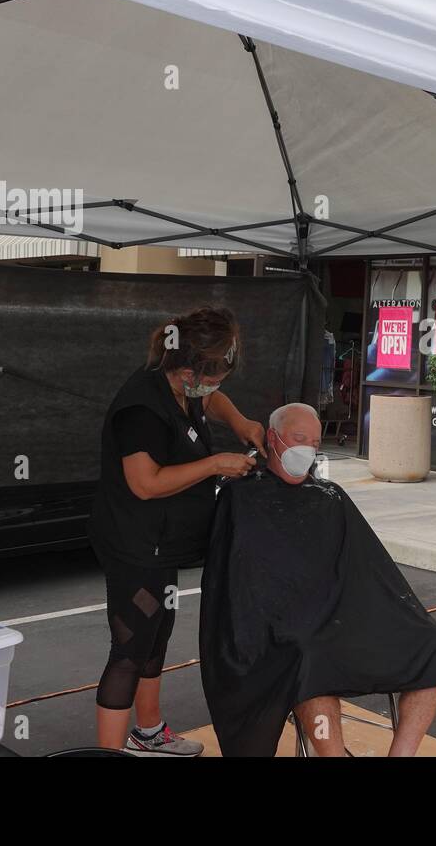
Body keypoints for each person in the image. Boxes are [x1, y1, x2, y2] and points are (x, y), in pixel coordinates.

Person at [200, 402, 436, 756]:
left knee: (434, 643)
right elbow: (237, 588)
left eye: (314, 444)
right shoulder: (240, 496)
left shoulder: (330, 497)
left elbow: (369, 569)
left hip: (342, 618)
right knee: (308, 655)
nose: (307, 450)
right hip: (284, 630)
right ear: (273, 438)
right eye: (298, 439)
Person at [88, 306, 266, 756]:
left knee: (157, 630)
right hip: (134, 545)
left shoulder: (184, 388)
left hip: (161, 545)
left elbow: (212, 400)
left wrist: (241, 422)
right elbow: (144, 484)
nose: (214, 386)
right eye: (211, 377)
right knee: (129, 646)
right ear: (187, 369)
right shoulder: (141, 408)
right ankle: (108, 753)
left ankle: (148, 732)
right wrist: (214, 463)